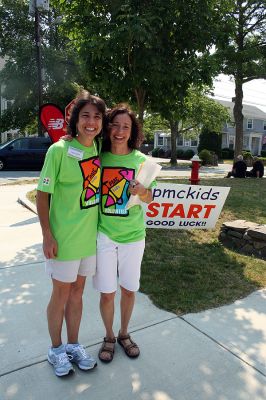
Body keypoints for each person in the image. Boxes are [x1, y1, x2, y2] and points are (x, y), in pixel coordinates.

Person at [36, 90, 106, 377]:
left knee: (77, 294)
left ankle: (74, 345)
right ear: (75, 120)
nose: (91, 122)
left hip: (88, 240)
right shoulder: (59, 151)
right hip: (63, 239)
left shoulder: (98, 150)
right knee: (61, 294)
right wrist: (47, 235)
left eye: (97, 116)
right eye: (85, 115)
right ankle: (55, 349)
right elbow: (42, 195)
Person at [93, 104, 155, 363]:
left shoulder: (142, 162)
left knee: (129, 290)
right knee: (107, 292)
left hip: (133, 236)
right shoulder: (97, 156)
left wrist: (141, 191)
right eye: (114, 125)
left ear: (133, 131)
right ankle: (108, 336)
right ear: (107, 129)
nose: (119, 131)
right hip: (104, 235)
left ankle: (124, 333)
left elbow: (150, 199)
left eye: (125, 127)